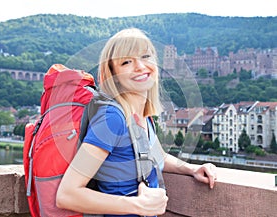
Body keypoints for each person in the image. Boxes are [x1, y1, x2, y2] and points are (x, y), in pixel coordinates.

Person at [56, 28, 217, 217]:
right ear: (112, 73)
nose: (140, 66)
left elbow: (158, 156)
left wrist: (192, 169)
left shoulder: (141, 115)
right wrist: (138, 205)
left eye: (145, 56)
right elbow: (67, 194)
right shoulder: (112, 118)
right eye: (126, 62)